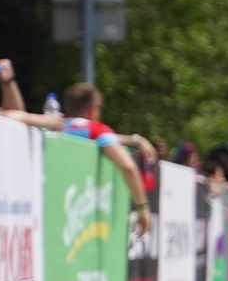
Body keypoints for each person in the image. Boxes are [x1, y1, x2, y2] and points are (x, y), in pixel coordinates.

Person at [53, 83, 153, 239]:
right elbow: (128, 167)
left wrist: (135, 140)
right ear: (93, 110)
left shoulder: (55, 124)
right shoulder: (96, 129)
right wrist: (142, 208)